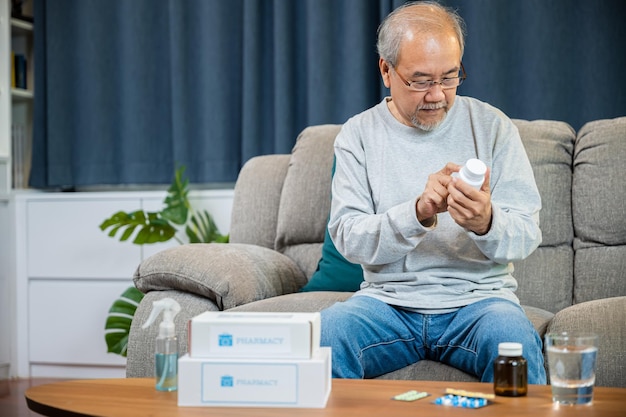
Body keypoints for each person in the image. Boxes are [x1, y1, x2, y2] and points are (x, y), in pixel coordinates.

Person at [320, 1, 546, 384]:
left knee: (514, 345)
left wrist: (486, 222)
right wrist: (418, 213)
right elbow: (348, 238)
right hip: (386, 303)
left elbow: (526, 235)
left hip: (481, 303)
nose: (438, 95)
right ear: (386, 71)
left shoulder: (493, 127)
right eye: (421, 80)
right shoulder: (358, 135)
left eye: (450, 77)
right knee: (324, 336)